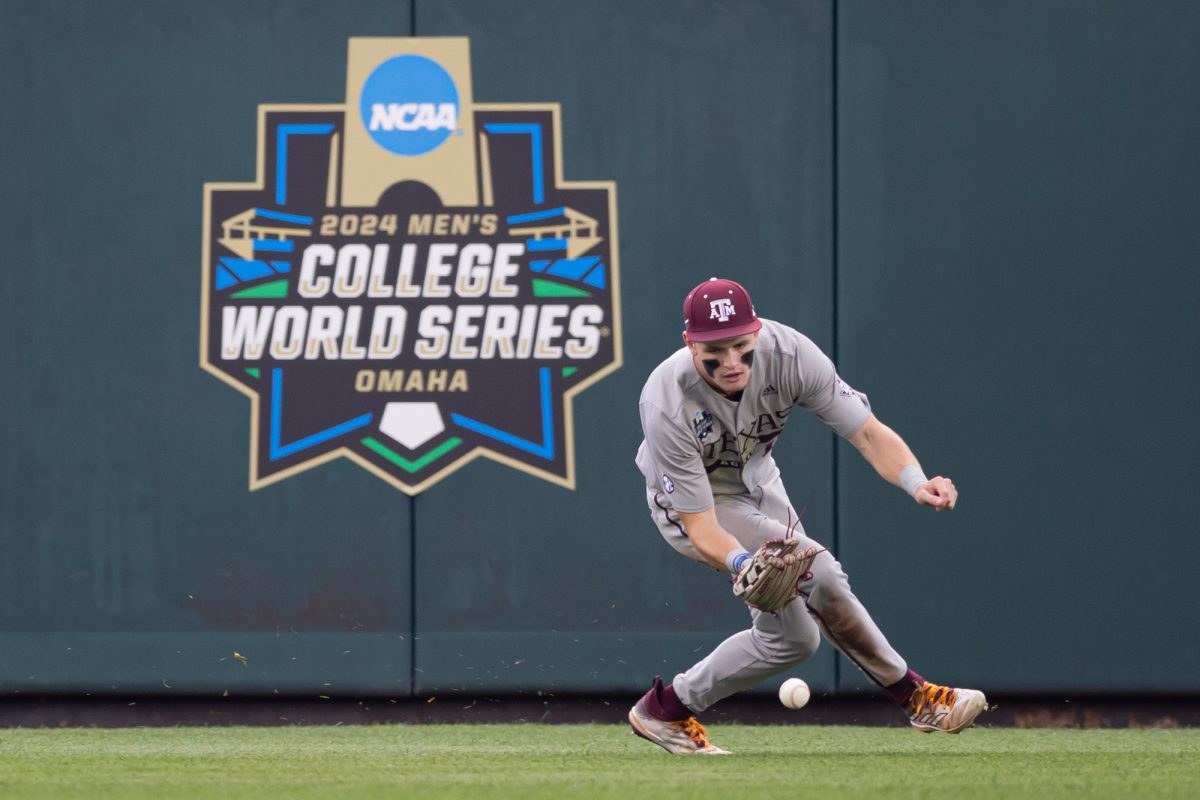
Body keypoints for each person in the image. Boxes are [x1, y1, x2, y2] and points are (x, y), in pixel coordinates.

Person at [628, 277, 987, 755]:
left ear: (756, 332)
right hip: (698, 504)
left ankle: (664, 710)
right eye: (715, 349)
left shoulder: (792, 355)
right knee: (820, 570)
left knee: (794, 641)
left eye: (740, 344)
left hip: (758, 477)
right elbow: (701, 525)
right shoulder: (665, 399)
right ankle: (918, 698)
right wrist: (741, 564)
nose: (732, 361)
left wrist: (914, 480)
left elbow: (867, 433)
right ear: (690, 343)